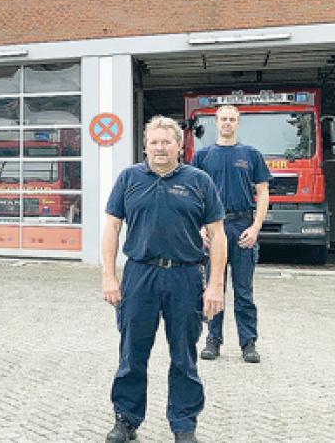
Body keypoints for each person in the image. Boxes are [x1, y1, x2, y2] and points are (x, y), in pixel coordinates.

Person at [101, 116, 226, 443]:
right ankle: (126, 420)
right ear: (145, 145)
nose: (159, 148)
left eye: (166, 142)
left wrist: (214, 286)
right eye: (154, 142)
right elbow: (112, 228)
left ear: (178, 146)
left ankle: (184, 425)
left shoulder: (199, 181)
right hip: (139, 274)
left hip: (185, 276)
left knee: (184, 355)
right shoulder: (129, 178)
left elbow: (218, 234)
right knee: (132, 352)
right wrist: (108, 276)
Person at [192, 105, 270, 363]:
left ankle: (248, 343)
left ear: (238, 123)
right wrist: (199, 226)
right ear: (216, 122)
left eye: (232, 119)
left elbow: (263, 193)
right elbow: (194, 196)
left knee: (244, 291)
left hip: (242, 227)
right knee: (214, 287)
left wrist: (256, 227)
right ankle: (213, 341)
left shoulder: (251, 155)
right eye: (223, 119)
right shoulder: (202, 156)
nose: (227, 123)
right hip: (214, 228)